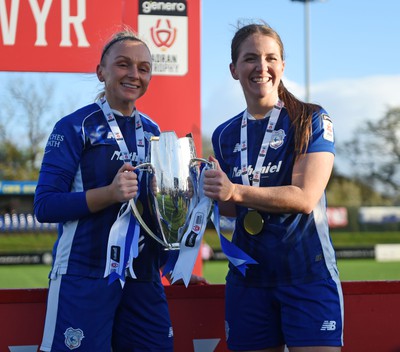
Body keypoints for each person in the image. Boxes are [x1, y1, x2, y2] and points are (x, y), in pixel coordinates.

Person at [34, 27, 205, 352]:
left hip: (143, 278)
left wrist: (174, 266)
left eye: (143, 68)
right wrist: (109, 194)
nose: (134, 74)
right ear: (101, 71)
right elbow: (45, 205)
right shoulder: (74, 126)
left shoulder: (155, 132)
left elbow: (156, 215)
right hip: (84, 274)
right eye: (124, 64)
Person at [203, 21, 343, 352]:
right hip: (248, 281)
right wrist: (206, 190)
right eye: (250, 58)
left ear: (281, 65)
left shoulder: (311, 119)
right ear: (234, 69)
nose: (261, 67)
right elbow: (229, 209)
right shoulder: (224, 134)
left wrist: (234, 191)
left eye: (271, 57)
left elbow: (305, 198)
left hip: (306, 276)